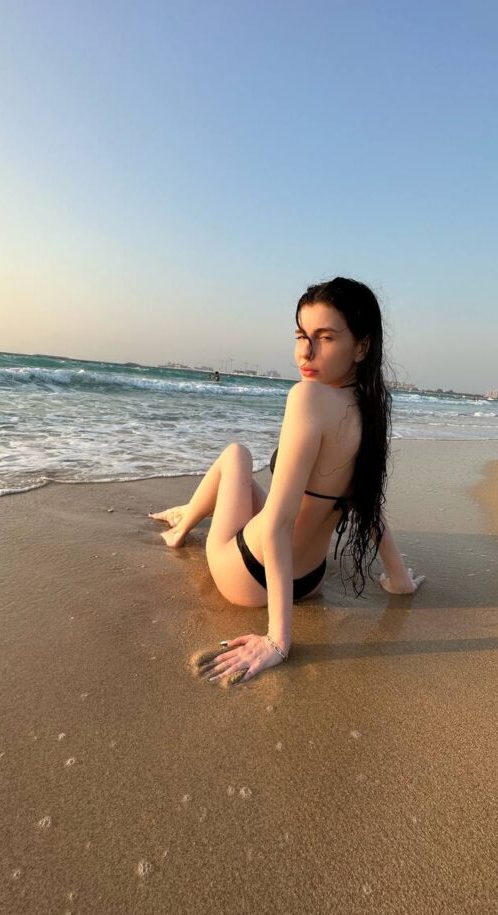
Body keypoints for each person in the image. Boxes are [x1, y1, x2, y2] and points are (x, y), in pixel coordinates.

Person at [149, 277, 424, 684]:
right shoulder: (371, 409)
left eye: (325, 338)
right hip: (308, 580)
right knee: (250, 487)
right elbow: (368, 505)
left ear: (361, 346)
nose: (305, 352)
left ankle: (180, 530)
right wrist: (399, 580)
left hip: (247, 575)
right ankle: (189, 512)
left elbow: (279, 522)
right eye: (301, 336)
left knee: (236, 456)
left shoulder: (308, 397)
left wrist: (278, 640)